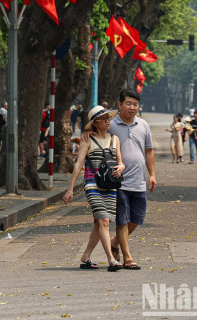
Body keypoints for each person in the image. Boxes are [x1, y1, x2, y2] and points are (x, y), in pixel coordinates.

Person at [64, 105, 125, 271]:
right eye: (103, 119)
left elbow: (120, 162)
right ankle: (111, 260)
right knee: (103, 221)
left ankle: (85, 257)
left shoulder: (115, 139)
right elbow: (78, 165)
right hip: (92, 185)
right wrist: (70, 189)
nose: (107, 121)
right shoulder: (87, 140)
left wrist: (121, 167)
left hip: (111, 186)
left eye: (108, 118)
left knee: (100, 223)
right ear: (95, 123)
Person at [101, 89, 156, 270]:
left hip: (138, 181)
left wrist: (153, 175)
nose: (132, 107)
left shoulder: (143, 125)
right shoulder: (111, 124)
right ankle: (128, 257)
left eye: (135, 104)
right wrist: (86, 135)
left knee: (137, 218)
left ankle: (115, 242)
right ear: (120, 104)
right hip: (118, 181)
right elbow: (97, 132)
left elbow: (149, 150)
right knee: (122, 220)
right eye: (128, 103)